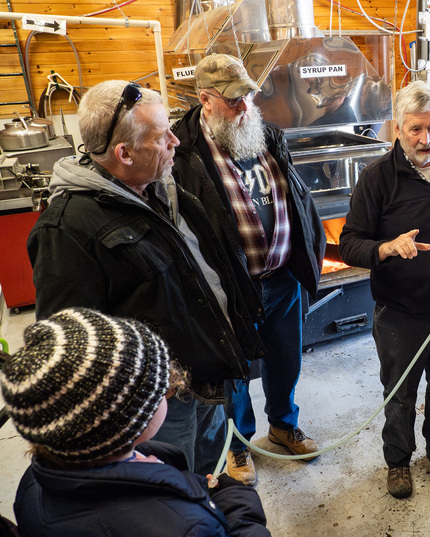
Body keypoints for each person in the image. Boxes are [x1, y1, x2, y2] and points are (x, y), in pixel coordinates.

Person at [26, 80, 264, 476]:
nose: (176, 140)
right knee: (173, 487)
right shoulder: (67, 230)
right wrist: (152, 389)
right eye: (161, 135)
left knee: (209, 474)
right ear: (124, 153)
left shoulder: (159, 187)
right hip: (158, 405)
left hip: (208, 376)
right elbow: (69, 347)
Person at [172, 54, 327, 485]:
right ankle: (238, 445)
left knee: (285, 358)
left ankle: (283, 423)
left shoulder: (266, 135)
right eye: (233, 101)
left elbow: (293, 195)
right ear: (206, 99)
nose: (245, 108)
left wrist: (307, 252)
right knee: (235, 370)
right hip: (230, 288)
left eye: (249, 98)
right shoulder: (185, 152)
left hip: (281, 277)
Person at [1, 308, 272, 537]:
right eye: (160, 388)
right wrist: (240, 508)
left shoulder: (31, 484)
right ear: (126, 421)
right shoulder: (187, 527)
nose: (173, 382)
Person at [338, 80, 430, 499]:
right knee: (401, 393)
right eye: (415, 129)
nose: (426, 139)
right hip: (400, 311)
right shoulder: (377, 178)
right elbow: (350, 242)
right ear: (398, 129)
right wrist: (386, 247)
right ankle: (399, 463)